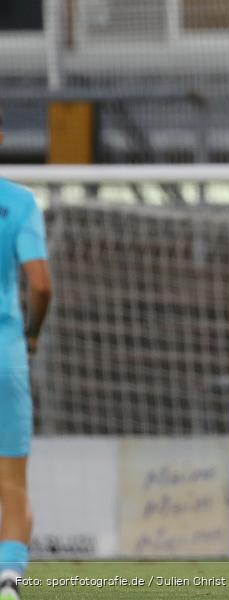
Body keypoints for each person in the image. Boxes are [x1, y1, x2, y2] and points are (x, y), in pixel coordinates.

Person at [0, 107, 52, 600]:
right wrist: (31, 335)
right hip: (5, 353)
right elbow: (40, 284)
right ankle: (9, 582)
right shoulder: (18, 202)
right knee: (11, 481)